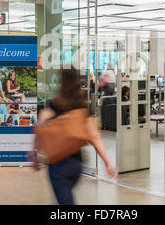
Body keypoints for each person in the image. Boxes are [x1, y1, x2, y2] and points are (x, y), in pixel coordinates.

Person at [35, 67, 117, 205]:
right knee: (63, 198)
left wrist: (33, 153)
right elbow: (94, 137)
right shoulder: (84, 105)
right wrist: (107, 163)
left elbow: (39, 127)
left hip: (58, 164)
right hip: (76, 164)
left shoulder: (55, 104)